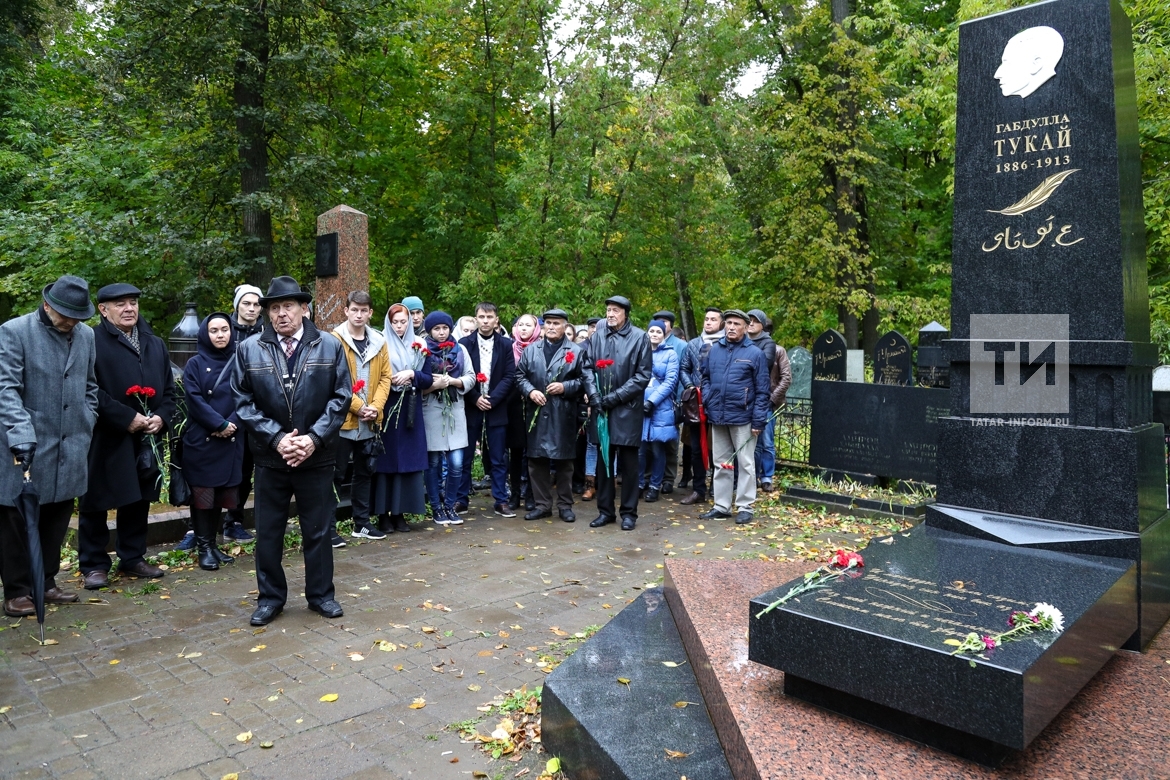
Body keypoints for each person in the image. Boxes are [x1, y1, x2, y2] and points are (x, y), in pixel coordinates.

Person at [232, 276, 349, 626]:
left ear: (303, 309)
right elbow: (242, 401)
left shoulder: (329, 345)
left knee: (318, 529)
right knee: (269, 532)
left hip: (317, 455)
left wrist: (312, 439)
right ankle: (270, 599)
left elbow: (341, 398)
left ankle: (321, 596)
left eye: (288, 306)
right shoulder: (249, 348)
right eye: (274, 308)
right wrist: (277, 438)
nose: (281, 314)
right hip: (270, 457)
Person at [0, 276, 98, 616]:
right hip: (24, 444)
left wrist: (88, 417)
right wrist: (20, 434)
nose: (72, 322)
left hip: (71, 443)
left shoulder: (86, 335)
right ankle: (16, 591)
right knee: (17, 520)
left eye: (77, 316)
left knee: (57, 515)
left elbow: (90, 385)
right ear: (47, 305)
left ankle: (47, 582)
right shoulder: (14, 332)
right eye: (66, 315)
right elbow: (6, 389)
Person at [78, 283, 176, 590]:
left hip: (147, 436)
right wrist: (125, 418)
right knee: (95, 499)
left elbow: (170, 391)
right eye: (120, 304)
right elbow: (87, 389)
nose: (129, 308)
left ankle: (132, 557)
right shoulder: (90, 341)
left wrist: (161, 416)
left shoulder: (153, 342)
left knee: (139, 498)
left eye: (133, 302)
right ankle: (94, 564)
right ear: (104, 310)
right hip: (105, 435)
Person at [181, 313, 245, 571]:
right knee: (203, 496)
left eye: (225, 329)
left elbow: (248, 394)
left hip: (231, 439)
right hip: (204, 440)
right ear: (205, 334)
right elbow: (194, 399)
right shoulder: (195, 364)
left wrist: (232, 424)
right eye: (214, 330)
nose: (220, 335)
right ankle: (204, 547)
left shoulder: (240, 360)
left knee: (220, 496)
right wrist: (218, 424)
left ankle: (213, 544)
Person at [330, 291, 393, 542]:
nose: (358, 314)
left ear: (370, 313)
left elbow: (386, 377)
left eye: (363, 310)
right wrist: (358, 406)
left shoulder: (379, 341)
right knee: (336, 473)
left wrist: (376, 407)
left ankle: (361, 523)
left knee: (365, 471)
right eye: (354, 309)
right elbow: (333, 379)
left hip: (370, 421)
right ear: (346, 310)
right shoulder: (334, 340)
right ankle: (328, 527)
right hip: (343, 420)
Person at [585, 295, 651, 531]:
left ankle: (629, 513)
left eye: (615, 310)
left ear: (625, 313)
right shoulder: (598, 336)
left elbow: (642, 376)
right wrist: (594, 396)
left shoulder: (639, 337)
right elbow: (587, 368)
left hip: (627, 409)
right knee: (603, 463)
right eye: (608, 310)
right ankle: (605, 511)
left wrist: (614, 398)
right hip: (602, 410)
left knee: (629, 465)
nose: (610, 314)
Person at [699, 309, 769, 525]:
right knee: (721, 463)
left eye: (736, 324)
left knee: (745, 463)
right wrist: (709, 398)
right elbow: (706, 377)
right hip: (718, 415)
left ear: (745, 327)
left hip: (743, 417)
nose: (731, 327)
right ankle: (721, 506)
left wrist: (758, 420)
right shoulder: (715, 350)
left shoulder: (755, 353)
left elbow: (763, 389)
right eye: (728, 323)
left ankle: (745, 506)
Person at [516, 309, 585, 522]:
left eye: (556, 323)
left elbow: (584, 380)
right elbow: (519, 376)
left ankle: (565, 505)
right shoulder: (532, 350)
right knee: (536, 461)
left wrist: (565, 387)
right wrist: (530, 391)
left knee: (564, 463)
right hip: (536, 412)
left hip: (562, 413)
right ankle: (542, 504)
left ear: (565, 326)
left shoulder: (575, 350)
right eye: (548, 323)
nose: (552, 327)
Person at [371, 303, 432, 533]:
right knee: (386, 462)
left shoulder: (420, 345)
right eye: (395, 322)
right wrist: (390, 380)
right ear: (388, 322)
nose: (399, 326)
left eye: (403, 322)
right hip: (386, 405)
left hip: (410, 407)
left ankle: (400, 513)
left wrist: (412, 374)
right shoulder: (379, 343)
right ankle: (383, 515)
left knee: (407, 461)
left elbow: (428, 378)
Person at [456, 302, 516, 517]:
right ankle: (461, 499)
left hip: (496, 406)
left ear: (496, 319)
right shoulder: (464, 344)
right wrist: (475, 398)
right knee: (466, 455)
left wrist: (492, 398)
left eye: (489, 317)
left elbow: (510, 376)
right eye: (481, 317)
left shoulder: (506, 344)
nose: (485, 321)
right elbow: (459, 374)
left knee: (498, 456)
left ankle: (501, 500)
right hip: (471, 407)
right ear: (476, 318)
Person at [421, 311, 474, 526]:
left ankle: (450, 505)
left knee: (457, 462)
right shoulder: (422, 350)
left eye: (445, 328)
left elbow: (471, 376)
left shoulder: (460, 350)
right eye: (436, 329)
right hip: (431, 411)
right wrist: (434, 385)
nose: (441, 333)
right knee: (432, 463)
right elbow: (417, 382)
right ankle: (436, 508)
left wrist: (453, 382)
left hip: (455, 411)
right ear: (430, 330)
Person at [221, 283, 264, 544]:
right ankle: (199, 526)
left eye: (256, 304)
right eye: (246, 303)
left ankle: (234, 520)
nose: (251, 308)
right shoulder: (222, 329)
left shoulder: (264, 331)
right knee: (217, 467)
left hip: (253, 410)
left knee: (245, 468)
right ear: (237, 305)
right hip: (224, 410)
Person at [678, 308, 723, 505]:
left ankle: (717, 487)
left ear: (721, 323)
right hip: (696, 404)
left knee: (718, 448)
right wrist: (690, 386)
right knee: (696, 448)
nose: (708, 322)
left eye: (713, 319)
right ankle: (698, 490)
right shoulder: (693, 344)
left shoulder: (725, 345)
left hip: (719, 403)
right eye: (706, 319)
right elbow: (683, 368)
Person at [638, 320, 679, 503]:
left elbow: (670, 382)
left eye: (658, 332)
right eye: (651, 331)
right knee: (639, 449)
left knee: (657, 448)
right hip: (639, 405)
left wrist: (652, 401)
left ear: (664, 334)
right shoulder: (640, 352)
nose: (654, 334)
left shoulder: (670, 354)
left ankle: (655, 485)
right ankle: (639, 483)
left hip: (660, 407)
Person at [650, 310, 687, 494]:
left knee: (670, 443)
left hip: (672, 400)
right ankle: (650, 478)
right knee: (650, 441)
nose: (661, 325)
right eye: (657, 321)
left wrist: (680, 401)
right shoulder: (647, 343)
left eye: (664, 321)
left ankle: (668, 478)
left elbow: (681, 374)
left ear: (671, 325)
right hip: (650, 401)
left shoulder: (680, 345)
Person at [508, 314, 542, 511]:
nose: (523, 328)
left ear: (536, 328)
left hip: (536, 406)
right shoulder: (509, 348)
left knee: (533, 453)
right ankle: (514, 494)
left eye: (528, 325)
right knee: (515, 452)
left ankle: (531, 494)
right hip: (514, 406)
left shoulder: (541, 348)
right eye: (520, 325)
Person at [747, 309, 779, 492]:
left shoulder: (768, 343)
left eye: (754, 321)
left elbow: (764, 363)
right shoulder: (740, 341)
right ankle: (753, 475)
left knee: (766, 441)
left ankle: (766, 477)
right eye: (748, 320)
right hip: (745, 400)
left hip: (763, 400)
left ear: (762, 325)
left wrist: (773, 400)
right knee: (753, 444)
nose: (750, 324)